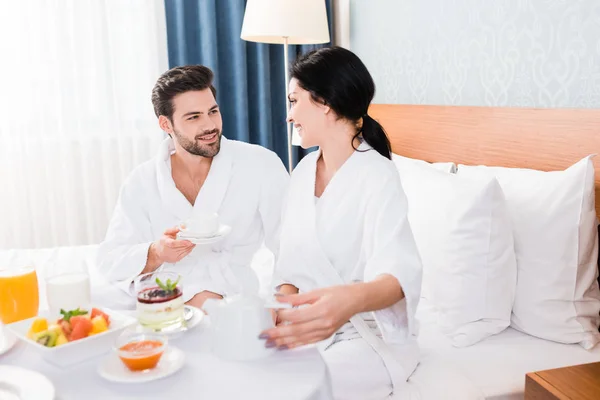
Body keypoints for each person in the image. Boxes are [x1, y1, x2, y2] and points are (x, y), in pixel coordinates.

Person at [260, 47, 423, 399]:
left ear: (325, 103)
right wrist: (281, 308)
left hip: (366, 335)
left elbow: (398, 278)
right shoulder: (303, 172)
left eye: (294, 101)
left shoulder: (378, 176)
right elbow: (287, 266)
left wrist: (346, 300)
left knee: (292, 389)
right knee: (242, 370)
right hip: (309, 325)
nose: (289, 116)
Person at [97, 65, 289, 308]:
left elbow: (291, 244)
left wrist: (281, 302)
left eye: (213, 111)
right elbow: (110, 259)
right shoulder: (142, 181)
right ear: (166, 125)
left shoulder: (260, 164)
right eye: (194, 117)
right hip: (165, 302)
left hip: (233, 299)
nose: (210, 125)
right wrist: (157, 252)